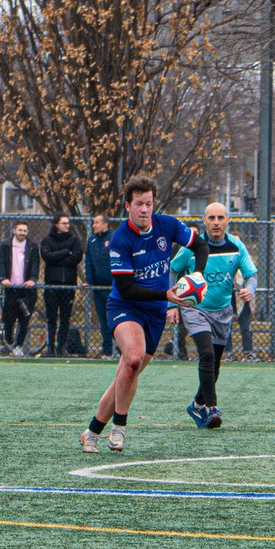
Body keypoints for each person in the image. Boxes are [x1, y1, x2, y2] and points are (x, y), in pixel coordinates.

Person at [81, 175, 208, 452]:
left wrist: (198, 273)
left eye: (149, 203)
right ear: (127, 206)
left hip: (154, 313)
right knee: (134, 359)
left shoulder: (168, 225)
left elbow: (200, 245)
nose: (144, 209)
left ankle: (92, 431)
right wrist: (166, 295)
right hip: (125, 307)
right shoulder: (121, 239)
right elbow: (126, 289)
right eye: (139, 203)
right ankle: (120, 427)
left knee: (126, 374)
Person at [167, 202, 257, 428]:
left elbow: (252, 275)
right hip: (195, 309)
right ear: (204, 221)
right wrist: (170, 304)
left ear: (228, 220)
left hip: (224, 310)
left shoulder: (236, 246)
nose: (216, 222)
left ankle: (197, 405)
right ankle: (212, 408)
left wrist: (250, 289)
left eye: (220, 218)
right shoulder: (192, 246)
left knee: (215, 363)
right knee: (206, 354)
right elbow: (172, 269)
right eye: (211, 218)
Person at [39, 214, 84, 356]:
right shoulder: (47, 240)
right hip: (52, 285)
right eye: (64, 223)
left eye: (68, 223)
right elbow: (47, 257)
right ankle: (50, 347)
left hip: (68, 284)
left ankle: (61, 347)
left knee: (65, 317)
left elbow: (76, 258)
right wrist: (65, 252)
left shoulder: (74, 240)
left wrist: (58, 258)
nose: (67, 225)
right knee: (51, 317)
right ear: (56, 224)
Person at [0, 221, 39, 356]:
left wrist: (32, 279)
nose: (22, 233)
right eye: (20, 230)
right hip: (10, 289)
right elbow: (1, 262)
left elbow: (35, 264)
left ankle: (18, 345)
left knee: (24, 319)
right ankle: (10, 343)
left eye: (25, 231)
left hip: (26, 290)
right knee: (8, 319)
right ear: (14, 230)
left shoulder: (32, 246)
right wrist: (4, 278)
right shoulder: (5, 245)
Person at [85, 213, 115, 356]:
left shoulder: (114, 239)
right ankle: (107, 349)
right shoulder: (91, 241)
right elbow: (88, 262)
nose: (94, 225)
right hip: (98, 288)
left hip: (113, 288)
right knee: (103, 320)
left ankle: (121, 349)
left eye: (96, 222)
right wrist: (89, 281)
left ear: (105, 224)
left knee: (114, 318)